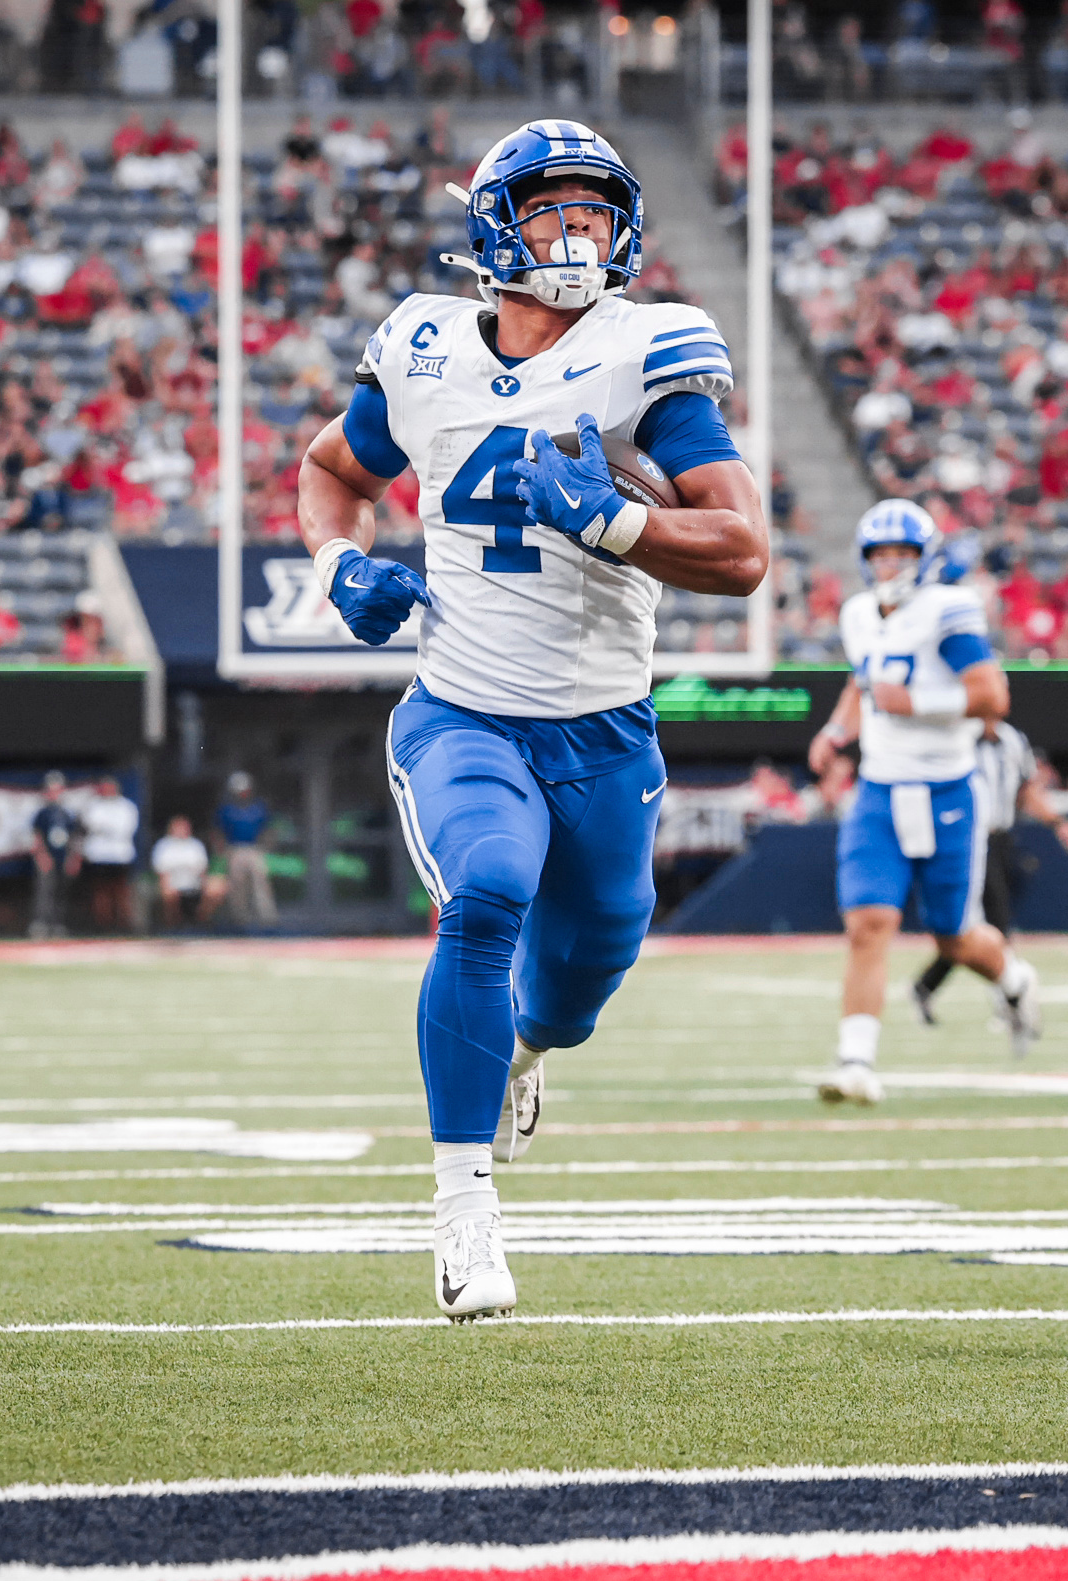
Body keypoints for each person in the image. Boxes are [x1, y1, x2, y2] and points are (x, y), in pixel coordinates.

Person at [296, 120, 766, 1321]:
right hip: (464, 712)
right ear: (494, 228)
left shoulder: (645, 349)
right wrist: (339, 566)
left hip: (604, 730)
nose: (578, 232)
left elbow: (741, 549)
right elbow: (333, 472)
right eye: (553, 209)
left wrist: (614, 520)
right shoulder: (422, 345)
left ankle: (523, 1050)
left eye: (595, 211)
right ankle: (463, 1208)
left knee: (584, 974)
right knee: (488, 890)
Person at [807, 500, 1042, 1108]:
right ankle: (856, 1061)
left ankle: (1015, 978)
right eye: (880, 554)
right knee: (868, 925)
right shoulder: (858, 613)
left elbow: (992, 696)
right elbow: (863, 682)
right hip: (879, 789)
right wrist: (836, 731)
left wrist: (916, 703)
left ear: (925, 558)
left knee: (954, 938)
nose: (890, 564)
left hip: (945, 790)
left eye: (902, 554)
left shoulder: (947, 609)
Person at [912, 717, 1068, 1023]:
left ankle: (927, 986)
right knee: (992, 922)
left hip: (1002, 839)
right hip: (965, 838)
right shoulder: (956, 737)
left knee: (971, 927)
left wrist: (1058, 822)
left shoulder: (1013, 740)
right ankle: (1009, 998)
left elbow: (1026, 791)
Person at [77, 774, 139, 932]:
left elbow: (124, 829)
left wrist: (103, 827)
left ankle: (124, 925)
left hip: (120, 856)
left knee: (121, 891)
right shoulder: (93, 805)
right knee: (100, 891)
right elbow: (89, 824)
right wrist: (106, 827)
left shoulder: (126, 806)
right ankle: (103, 925)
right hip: (98, 856)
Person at [217, 771, 279, 928]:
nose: (242, 793)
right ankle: (240, 920)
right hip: (235, 849)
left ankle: (268, 920)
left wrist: (268, 846)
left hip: (254, 849)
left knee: (261, 884)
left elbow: (268, 829)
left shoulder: (259, 807)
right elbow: (219, 832)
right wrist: (222, 850)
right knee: (237, 886)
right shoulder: (227, 809)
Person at [29, 771, 79, 938]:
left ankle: (59, 924)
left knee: (61, 892)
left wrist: (72, 858)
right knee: (44, 892)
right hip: (47, 858)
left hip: (62, 858)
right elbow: (37, 836)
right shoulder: (42, 813)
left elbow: (73, 837)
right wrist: (42, 856)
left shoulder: (67, 813)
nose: (54, 793)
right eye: (51, 790)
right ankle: (41, 924)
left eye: (57, 790)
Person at [151, 814, 222, 929]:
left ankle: (200, 920)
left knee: (217, 887)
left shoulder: (196, 845)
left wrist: (205, 885)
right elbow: (160, 872)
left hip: (194, 882)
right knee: (168, 892)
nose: (181, 830)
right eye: (178, 827)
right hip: (172, 883)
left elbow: (203, 869)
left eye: (184, 827)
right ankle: (173, 925)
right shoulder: (163, 845)